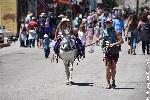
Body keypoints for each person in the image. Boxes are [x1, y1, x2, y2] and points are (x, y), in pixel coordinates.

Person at [97, 18, 124, 89]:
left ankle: (113, 80)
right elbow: (101, 38)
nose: (108, 24)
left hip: (114, 52)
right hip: (106, 51)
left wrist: (113, 44)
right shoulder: (104, 31)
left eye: (109, 23)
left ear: (112, 23)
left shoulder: (115, 31)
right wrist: (99, 41)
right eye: (107, 23)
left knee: (113, 67)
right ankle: (108, 83)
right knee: (107, 67)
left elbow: (121, 41)